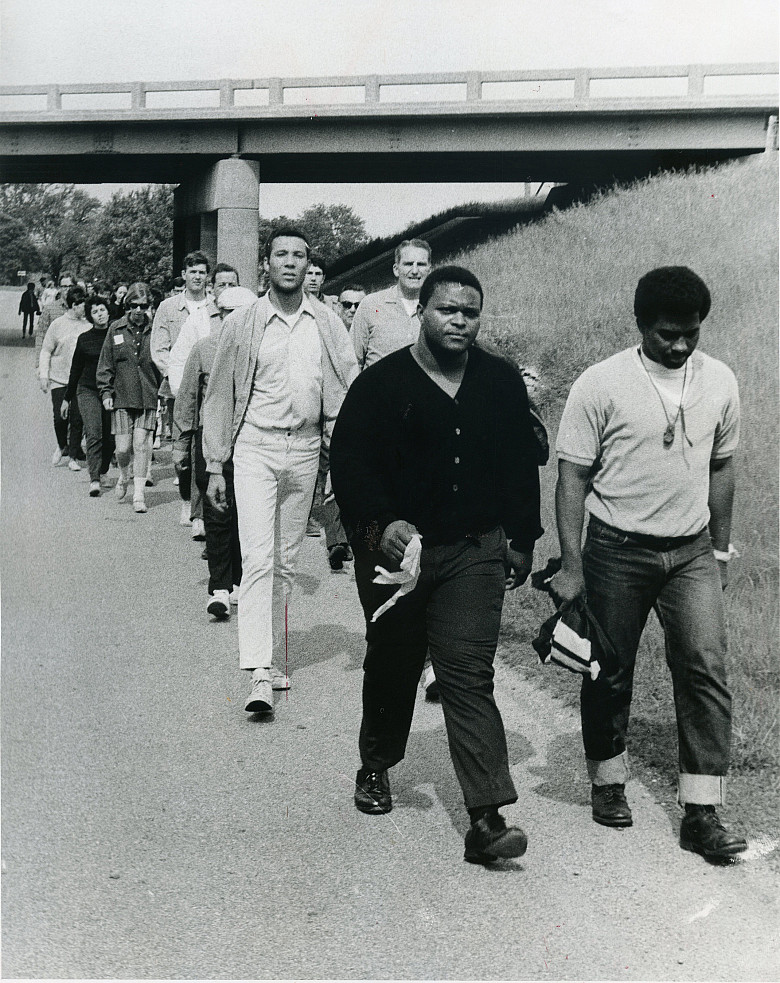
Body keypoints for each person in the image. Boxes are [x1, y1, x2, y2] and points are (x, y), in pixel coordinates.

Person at [330, 265, 542, 864]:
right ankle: (376, 764)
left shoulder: (499, 381)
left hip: (474, 549)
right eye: (448, 309)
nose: (460, 321)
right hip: (400, 554)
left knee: (467, 673)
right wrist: (381, 526)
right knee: (394, 660)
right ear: (421, 311)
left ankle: (487, 816)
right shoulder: (380, 385)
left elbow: (519, 466)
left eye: (470, 312)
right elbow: (350, 468)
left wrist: (522, 538)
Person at [552, 266, 747, 861]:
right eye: (667, 334)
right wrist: (571, 563)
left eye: (691, 333)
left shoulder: (719, 381)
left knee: (704, 668)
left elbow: (722, 466)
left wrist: (718, 545)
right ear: (640, 325)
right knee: (608, 669)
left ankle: (702, 811)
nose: (681, 345)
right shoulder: (601, 383)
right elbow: (572, 478)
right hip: (616, 548)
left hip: (689, 551)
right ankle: (609, 782)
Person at [202, 227, 358, 714]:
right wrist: (214, 465)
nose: (290, 262)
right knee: (259, 559)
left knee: (287, 563)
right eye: (280, 254)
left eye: (299, 255)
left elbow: (346, 389)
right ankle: (259, 673)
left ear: (308, 265)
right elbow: (220, 396)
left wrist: (346, 458)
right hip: (254, 448)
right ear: (265, 263)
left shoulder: (327, 323)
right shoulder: (244, 323)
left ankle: (273, 656)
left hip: (306, 449)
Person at [173, 286, 256, 619]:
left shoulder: (261, 350)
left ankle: (239, 580)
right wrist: (181, 442)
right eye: (228, 314)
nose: (235, 321)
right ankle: (220, 587)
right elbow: (188, 398)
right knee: (218, 514)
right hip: (210, 444)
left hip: (251, 443)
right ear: (219, 315)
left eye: (243, 314)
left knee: (245, 516)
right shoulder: (204, 349)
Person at [169, 264, 240, 539]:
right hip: (205, 411)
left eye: (232, 284)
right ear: (212, 289)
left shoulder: (247, 320)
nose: (227, 290)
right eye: (222, 284)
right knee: (206, 473)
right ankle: (203, 520)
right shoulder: (199, 320)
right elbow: (182, 364)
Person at [152, 251, 211, 529]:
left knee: (204, 449)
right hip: (177, 388)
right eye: (192, 272)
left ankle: (199, 511)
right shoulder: (168, 307)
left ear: (206, 275)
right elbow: (159, 349)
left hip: (209, 390)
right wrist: (179, 380)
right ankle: (186, 499)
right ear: (184, 275)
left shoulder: (214, 307)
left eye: (201, 272)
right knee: (182, 452)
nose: (197, 276)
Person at [97, 282, 161, 514]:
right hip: (122, 397)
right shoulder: (115, 329)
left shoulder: (156, 330)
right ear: (127, 305)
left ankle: (139, 494)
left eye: (143, 306)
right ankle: (124, 475)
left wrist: (164, 389)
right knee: (123, 448)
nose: (138, 310)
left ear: (149, 307)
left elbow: (163, 362)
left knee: (141, 445)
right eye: (134, 305)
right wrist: (106, 392)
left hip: (147, 396)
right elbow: (105, 365)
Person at [62, 295, 115, 496]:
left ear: (108, 311)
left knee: (110, 438)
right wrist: (67, 398)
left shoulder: (115, 335)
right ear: (90, 317)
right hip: (88, 390)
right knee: (94, 433)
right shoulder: (85, 339)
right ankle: (94, 479)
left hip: (110, 391)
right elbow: (75, 370)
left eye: (102, 310)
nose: (99, 315)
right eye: (94, 312)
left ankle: (102, 471)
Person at [351, 239, 431, 370]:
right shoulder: (371, 304)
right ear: (396, 269)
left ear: (429, 269)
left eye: (421, 264)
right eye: (408, 264)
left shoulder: (439, 308)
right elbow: (352, 361)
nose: (415, 270)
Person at [39, 284, 90, 469]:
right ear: (71, 305)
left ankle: (73, 457)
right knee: (60, 417)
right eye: (78, 303)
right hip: (59, 378)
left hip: (79, 380)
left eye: (84, 303)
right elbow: (46, 350)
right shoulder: (57, 325)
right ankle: (62, 445)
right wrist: (44, 375)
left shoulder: (88, 325)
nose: (82, 307)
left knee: (77, 419)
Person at [36, 272, 75, 372]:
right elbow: (41, 336)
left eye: (70, 286)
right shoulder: (49, 309)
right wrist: (39, 364)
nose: (67, 289)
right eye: (64, 286)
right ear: (59, 288)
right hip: (55, 365)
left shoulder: (82, 309)